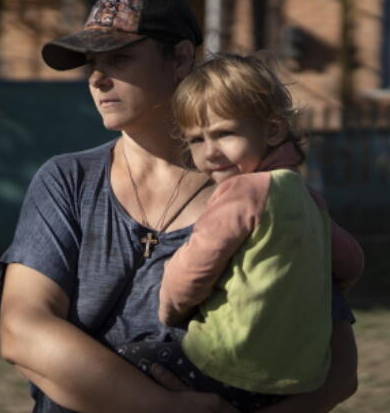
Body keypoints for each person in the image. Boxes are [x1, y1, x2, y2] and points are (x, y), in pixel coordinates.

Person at [0, 0, 358, 413]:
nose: (97, 77)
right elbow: (23, 329)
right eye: (92, 62)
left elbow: (338, 370)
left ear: (182, 58)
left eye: (120, 58)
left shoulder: (260, 192)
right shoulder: (68, 180)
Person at [116, 54, 364, 413]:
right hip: (298, 379)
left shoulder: (242, 191)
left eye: (224, 133)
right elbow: (352, 262)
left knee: (124, 362)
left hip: (226, 365)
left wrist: (170, 310)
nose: (210, 153)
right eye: (196, 140)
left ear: (273, 130)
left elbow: (194, 269)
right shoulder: (310, 201)